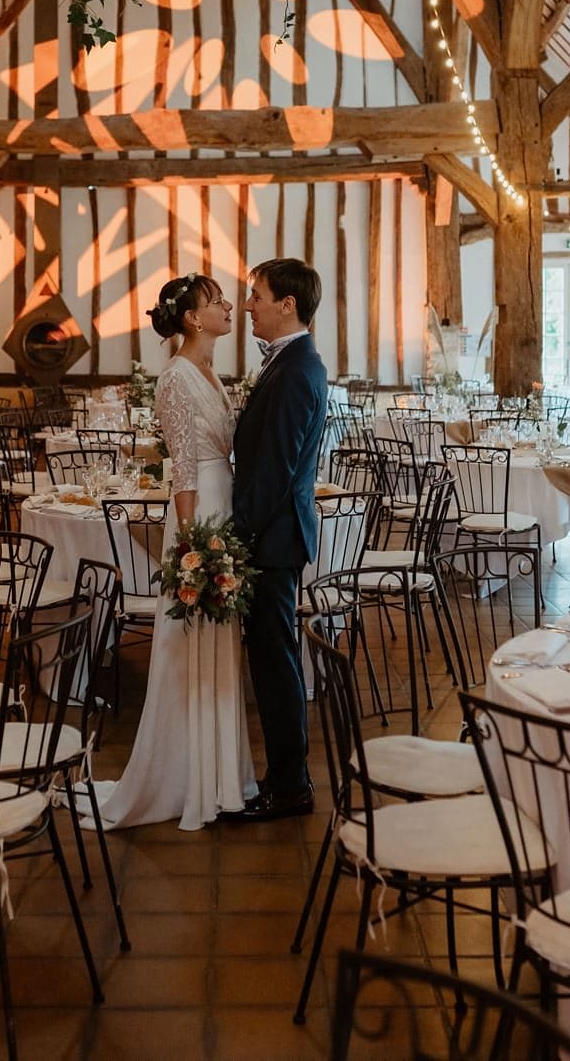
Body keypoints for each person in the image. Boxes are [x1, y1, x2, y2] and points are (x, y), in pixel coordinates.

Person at [95, 273, 256, 832]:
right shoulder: (175, 378)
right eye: (216, 302)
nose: (229, 307)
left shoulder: (210, 371)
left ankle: (219, 770)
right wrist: (194, 549)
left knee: (219, 642)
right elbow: (182, 468)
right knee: (192, 639)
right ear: (192, 317)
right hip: (198, 517)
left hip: (222, 504)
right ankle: (187, 775)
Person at [228, 258, 328, 822]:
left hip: (272, 538)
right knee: (272, 659)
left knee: (275, 663)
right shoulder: (290, 364)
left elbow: (274, 470)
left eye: (256, 296)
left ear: (286, 304)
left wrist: (236, 539)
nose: (249, 306)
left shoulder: (294, 371)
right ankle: (286, 779)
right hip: (275, 536)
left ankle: (290, 784)